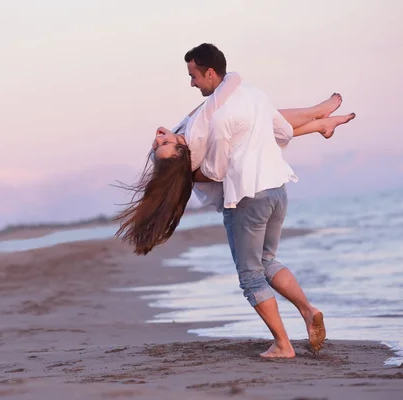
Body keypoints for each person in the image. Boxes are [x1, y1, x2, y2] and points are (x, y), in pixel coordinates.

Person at [115, 43, 355, 356]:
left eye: (193, 76)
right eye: (163, 142)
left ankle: (284, 345)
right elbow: (276, 134)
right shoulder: (243, 98)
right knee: (265, 263)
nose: (159, 136)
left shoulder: (207, 123)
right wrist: (310, 121)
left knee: (250, 276)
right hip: (276, 191)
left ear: (209, 73)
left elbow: (221, 162)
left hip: (249, 197)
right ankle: (308, 311)